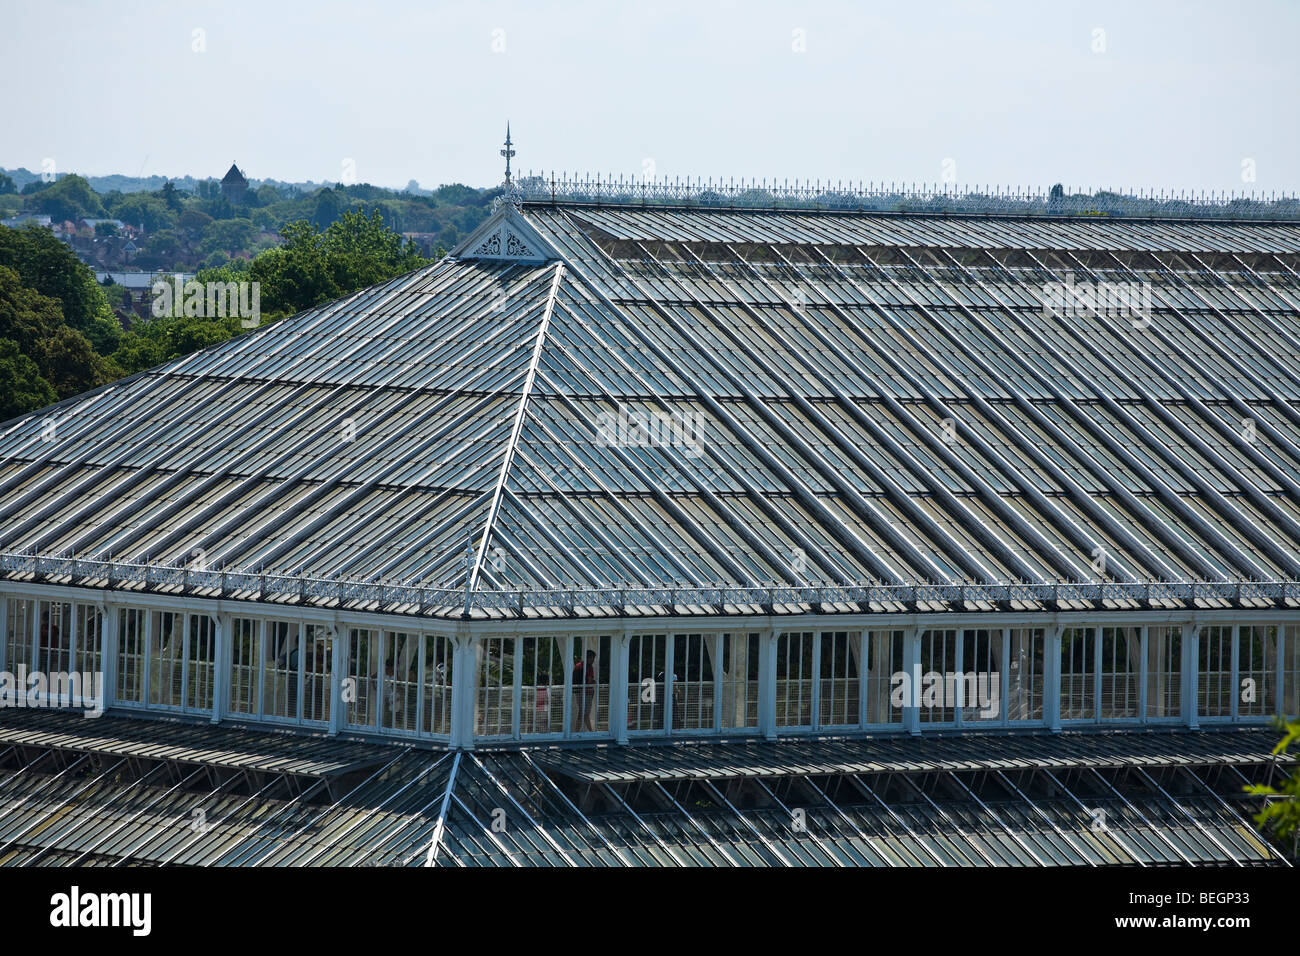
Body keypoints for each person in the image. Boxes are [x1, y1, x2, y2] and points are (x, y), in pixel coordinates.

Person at [571, 649, 598, 733]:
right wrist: (593, 681)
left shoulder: (578, 665)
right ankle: (589, 732)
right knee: (584, 713)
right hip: (586, 692)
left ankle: (588, 731)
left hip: (578, 692)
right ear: (588, 658)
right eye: (592, 658)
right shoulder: (589, 667)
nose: (593, 660)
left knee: (582, 712)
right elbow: (589, 681)